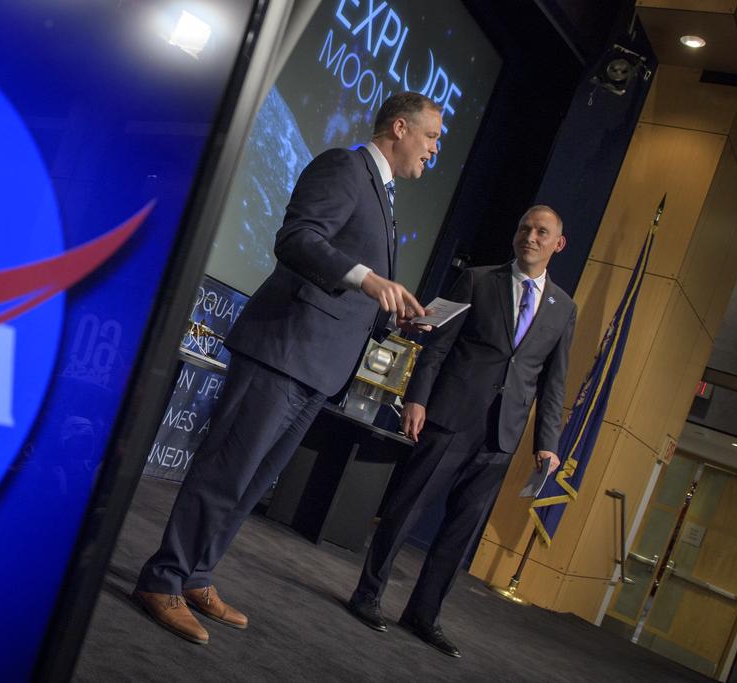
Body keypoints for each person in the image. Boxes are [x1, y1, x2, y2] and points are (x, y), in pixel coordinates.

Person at [132, 91, 440, 645]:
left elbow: (356, 292)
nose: (434, 150)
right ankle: (163, 578)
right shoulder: (345, 167)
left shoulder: (387, 198)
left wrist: (394, 319)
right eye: (431, 137)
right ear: (400, 127)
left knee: (250, 484)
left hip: (319, 366)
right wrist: (368, 279)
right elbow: (296, 240)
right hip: (284, 348)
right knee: (226, 471)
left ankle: (198, 574)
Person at [347, 205, 577, 659]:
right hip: (450, 419)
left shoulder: (564, 308)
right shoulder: (477, 279)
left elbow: (554, 382)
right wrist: (417, 398)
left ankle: (423, 615)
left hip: (501, 437)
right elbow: (437, 345)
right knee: (406, 509)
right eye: (524, 227)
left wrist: (547, 446)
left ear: (558, 244)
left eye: (541, 231)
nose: (530, 236)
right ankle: (367, 596)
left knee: (460, 533)